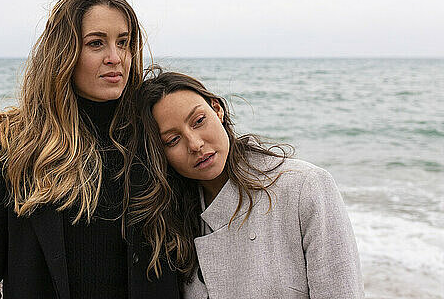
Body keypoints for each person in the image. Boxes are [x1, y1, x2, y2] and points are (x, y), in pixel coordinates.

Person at [0, 0, 180, 298]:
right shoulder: (9, 144)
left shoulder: (153, 134)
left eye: (123, 42)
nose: (115, 57)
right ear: (64, 52)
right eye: (97, 43)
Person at [131, 67, 364, 299]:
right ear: (160, 154)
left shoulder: (304, 187)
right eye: (172, 140)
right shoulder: (171, 221)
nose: (194, 144)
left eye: (199, 120)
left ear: (217, 109)